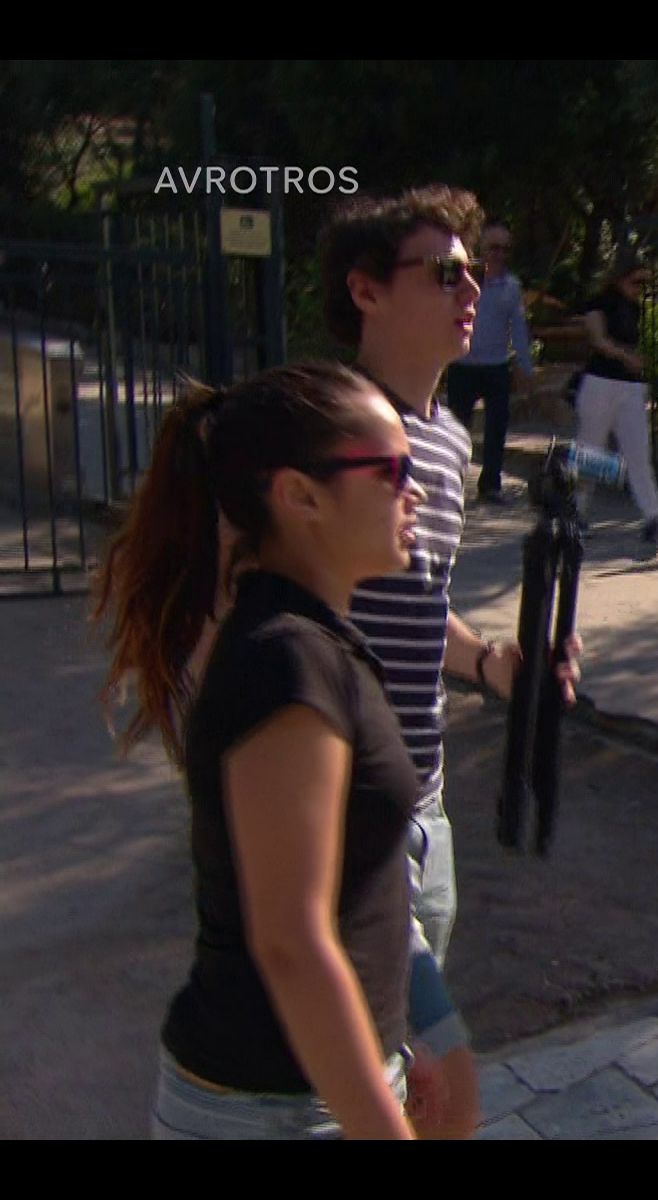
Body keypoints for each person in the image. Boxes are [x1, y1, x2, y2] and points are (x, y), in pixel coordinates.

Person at [93, 363, 427, 1138]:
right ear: (300, 495)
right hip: (270, 1110)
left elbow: (365, 891)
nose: (416, 492)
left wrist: (421, 1036)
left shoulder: (313, 641)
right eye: (391, 471)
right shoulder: (284, 659)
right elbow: (291, 943)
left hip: (309, 1094)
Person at [318, 185, 582, 1137]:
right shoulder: (332, 431)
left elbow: (421, 607)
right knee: (443, 1086)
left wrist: (496, 666)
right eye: (444, 273)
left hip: (425, 807)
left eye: (474, 272)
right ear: (367, 291)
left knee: (399, 1089)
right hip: (348, 813)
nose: (473, 289)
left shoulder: (444, 438)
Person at [576, 256, 658, 541]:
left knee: (639, 450)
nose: (640, 288)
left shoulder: (634, 308)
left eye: (645, 283)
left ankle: (654, 513)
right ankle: (576, 511)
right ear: (620, 277)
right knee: (591, 451)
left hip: (630, 386)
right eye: (636, 281)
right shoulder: (600, 303)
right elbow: (598, 340)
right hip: (600, 383)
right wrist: (625, 356)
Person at [446, 219, 535, 504]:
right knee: (456, 429)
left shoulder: (511, 286)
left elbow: (518, 328)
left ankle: (491, 486)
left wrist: (525, 366)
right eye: (494, 247)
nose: (499, 254)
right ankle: (452, 484)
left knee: (497, 428)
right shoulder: (459, 280)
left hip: (496, 366)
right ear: (480, 247)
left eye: (505, 249)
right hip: (462, 365)